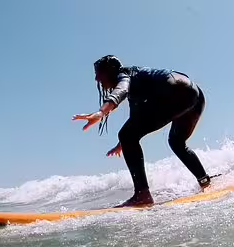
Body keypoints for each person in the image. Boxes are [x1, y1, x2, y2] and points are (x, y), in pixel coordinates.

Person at [73, 55, 212, 207]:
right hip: (194, 95)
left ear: (111, 70)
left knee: (128, 135)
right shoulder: (138, 84)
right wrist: (123, 143)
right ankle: (205, 181)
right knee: (176, 142)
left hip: (173, 89)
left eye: (99, 73)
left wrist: (101, 112)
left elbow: (122, 89)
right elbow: (135, 120)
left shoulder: (124, 74)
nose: (96, 78)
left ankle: (142, 194)